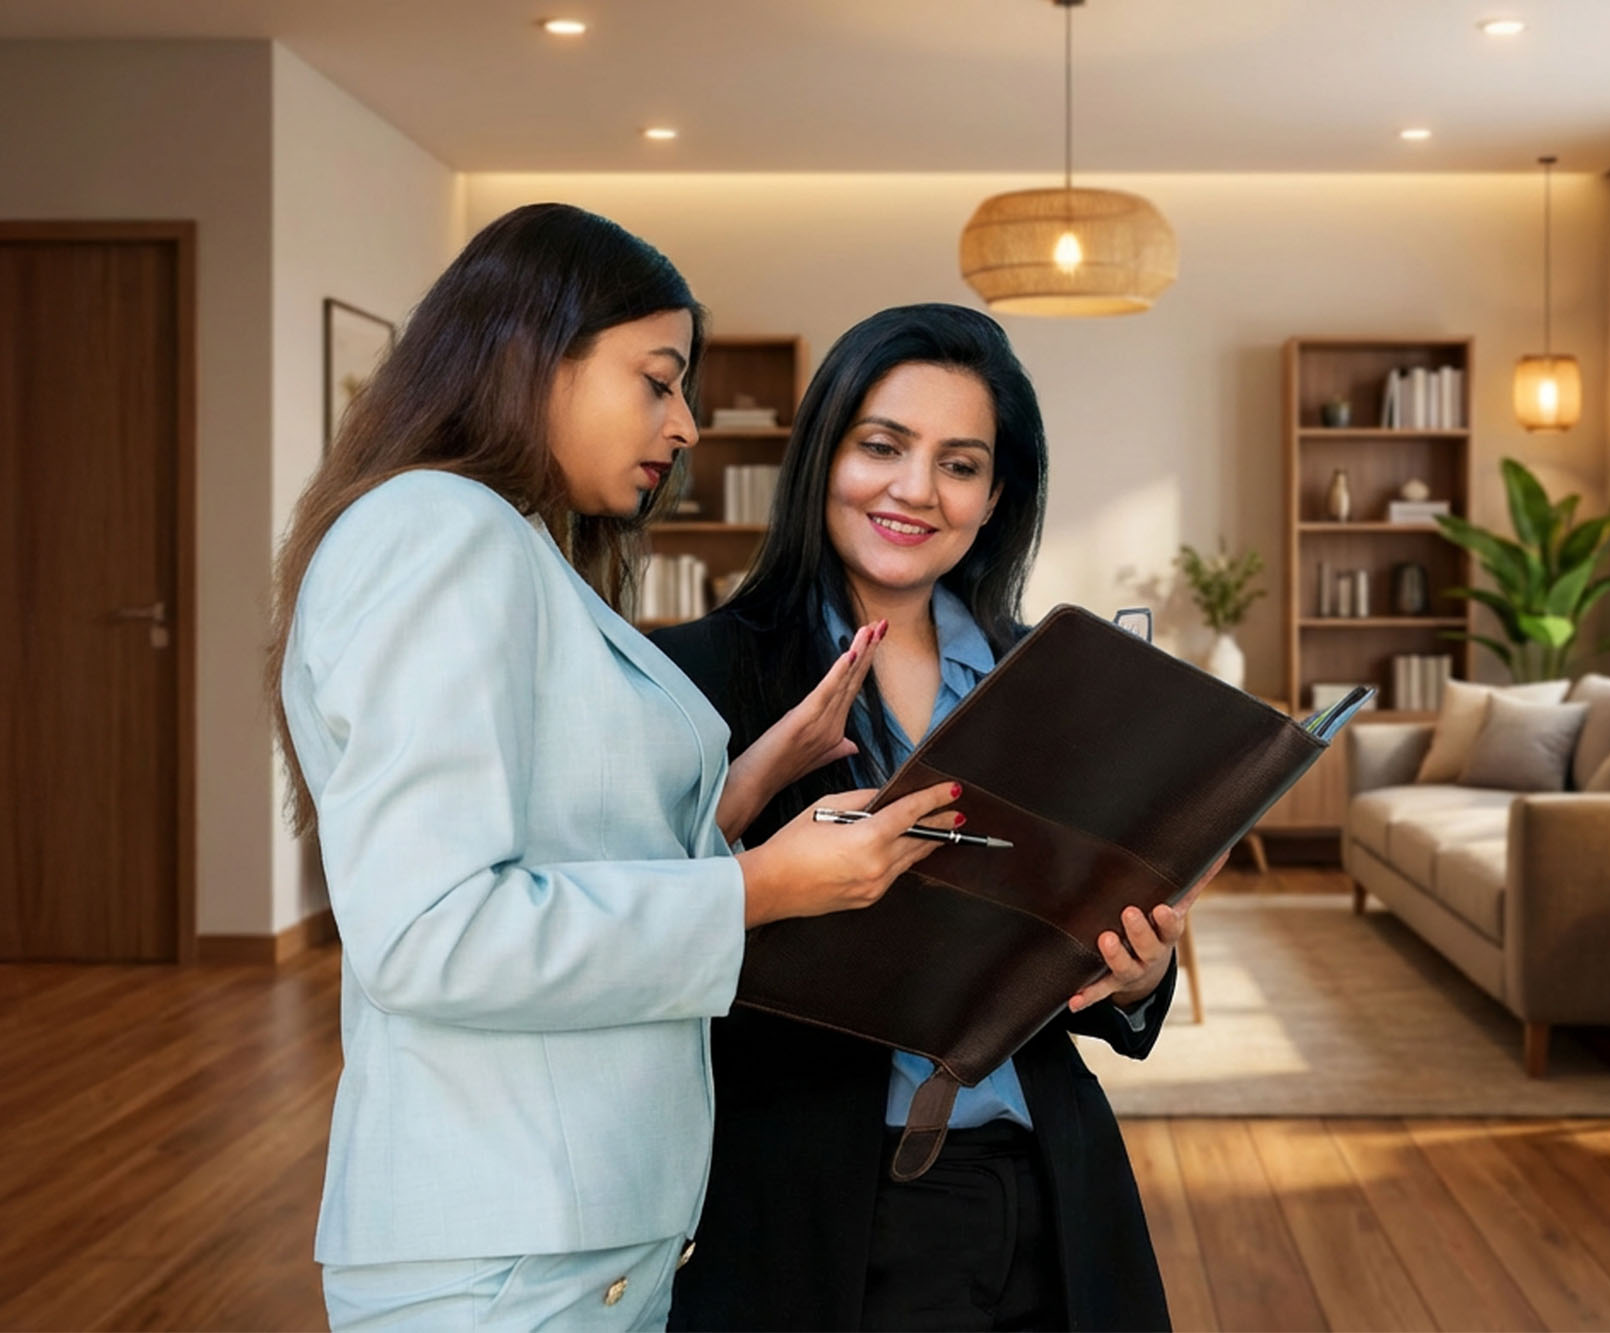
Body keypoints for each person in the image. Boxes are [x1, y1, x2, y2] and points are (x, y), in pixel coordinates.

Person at [269, 204, 959, 1330]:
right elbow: (432, 933)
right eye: (658, 379)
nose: (685, 423)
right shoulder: (440, 532)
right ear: (528, 356)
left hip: (563, 1229)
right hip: (506, 1244)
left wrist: (737, 786)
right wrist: (761, 887)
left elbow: (556, 836)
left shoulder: (502, 542)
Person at [653, 303, 1199, 1332]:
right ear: (823, 456)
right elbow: (632, 927)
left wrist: (1141, 974)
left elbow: (1097, 936)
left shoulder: (1051, 679)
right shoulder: (698, 678)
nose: (914, 490)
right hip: (816, 1198)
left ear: (995, 496)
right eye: (881, 446)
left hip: (1050, 1184)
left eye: (959, 463)